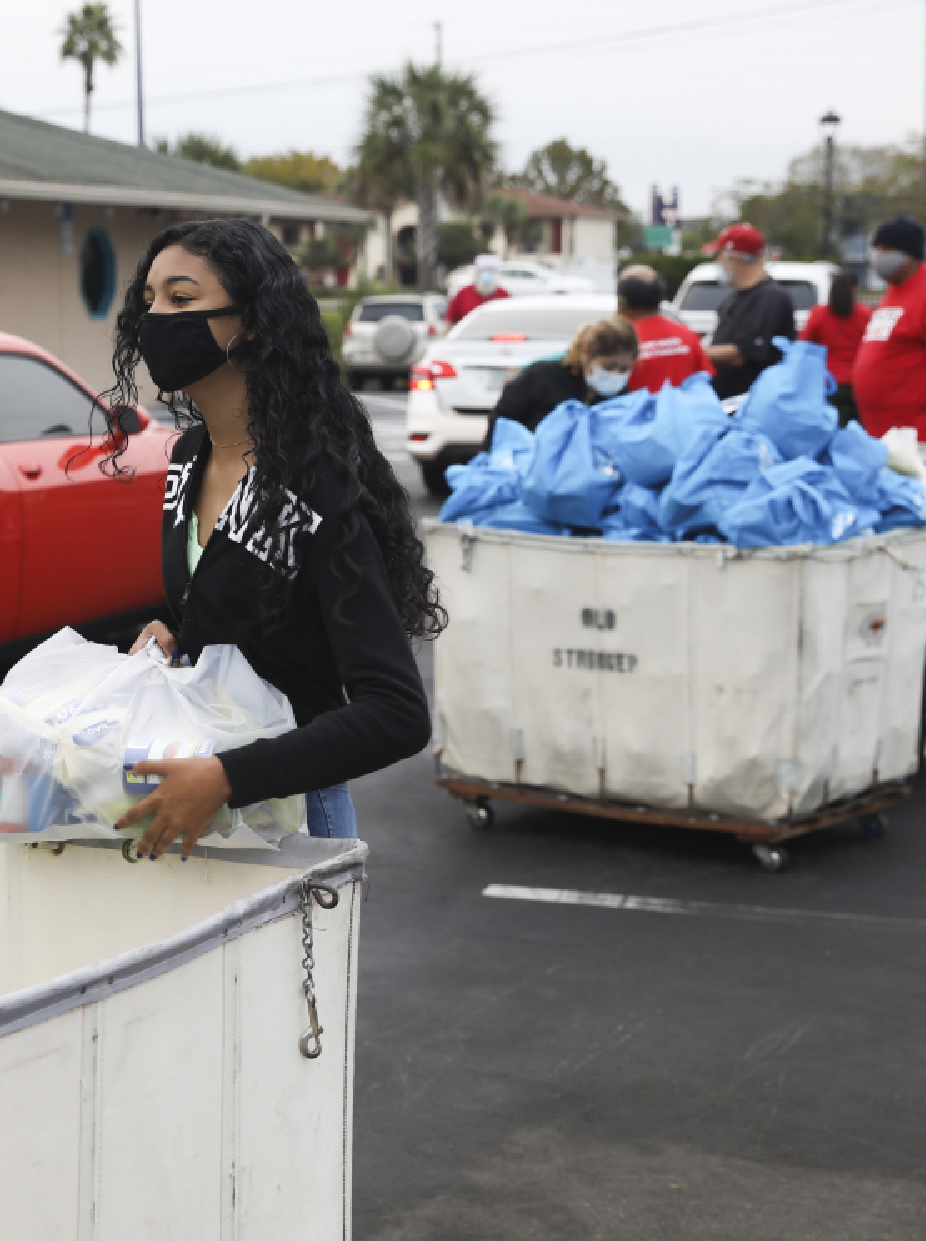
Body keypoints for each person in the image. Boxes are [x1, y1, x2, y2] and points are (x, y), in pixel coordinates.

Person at [107, 219, 439, 856]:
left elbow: (396, 713)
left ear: (252, 321)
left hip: (291, 824)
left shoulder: (310, 481)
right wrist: (185, 632)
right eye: (148, 301)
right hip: (197, 818)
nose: (154, 319)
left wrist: (232, 778)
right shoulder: (189, 455)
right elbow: (250, 614)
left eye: (181, 299)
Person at [851, 218, 926, 443]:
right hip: (886, 435)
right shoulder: (894, 290)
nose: (879, 257)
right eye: (877, 250)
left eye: (886, 250)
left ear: (908, 255)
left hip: (922, 434)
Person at [486, 317, 638, 442]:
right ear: (586, 354)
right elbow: (501, 423)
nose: (616, 374)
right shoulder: (542, 377)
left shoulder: (621, 397)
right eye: (609, 366)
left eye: (624, 369)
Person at [704, 223, 796, 400]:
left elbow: (742, 354)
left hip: (750, 407)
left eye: (720, 256)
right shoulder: (741, 296)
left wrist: (690, 351)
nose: (718, 262)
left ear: (734, 258)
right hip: (729, 402)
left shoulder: (770, 297)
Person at [617, 264, 711, 393]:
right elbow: (705, 380)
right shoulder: (687, 335)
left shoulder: (620, 340)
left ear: (622, 301)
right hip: (683, 412)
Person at [799, 271, 872, 425]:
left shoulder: (819, 314)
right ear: (854, 290)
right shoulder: (865, 315)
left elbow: (803, 346)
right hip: (857, 384)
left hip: (827, 384)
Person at [444, 253, 510, 327]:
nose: (487, 275)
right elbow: (449, 320)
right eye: (483, 271)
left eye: (490, 271)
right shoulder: (463, 293)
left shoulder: (504, 295)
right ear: (475, 273)